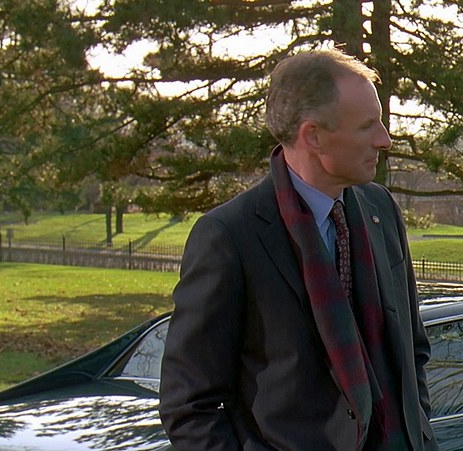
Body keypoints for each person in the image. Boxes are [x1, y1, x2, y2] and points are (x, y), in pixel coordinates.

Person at [158, 48, 438, 451]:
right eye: (367, 126)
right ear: (313, 136)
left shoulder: (381, 209)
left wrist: (418, 433)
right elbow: (189, 404)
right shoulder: (230, 237)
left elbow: (413, 351)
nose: (385, 139)